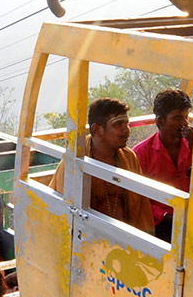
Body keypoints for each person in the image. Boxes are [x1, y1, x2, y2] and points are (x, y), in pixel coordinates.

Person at [49, 98, 154, 235]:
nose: (126, 130)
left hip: (126, 238)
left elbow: (142, 207)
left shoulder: (129, 157)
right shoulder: (75, 161)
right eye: (118, 124)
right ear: (97, 130)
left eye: (127, 123)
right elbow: (67, 212)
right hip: (86, 237)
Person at [133, 88, 193, 241]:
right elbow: (137, 198)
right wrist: (164, 215)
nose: (185, 123)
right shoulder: (141, 153)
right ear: (161, 121)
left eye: (186, 117)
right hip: (160, 222)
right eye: (178, 118)